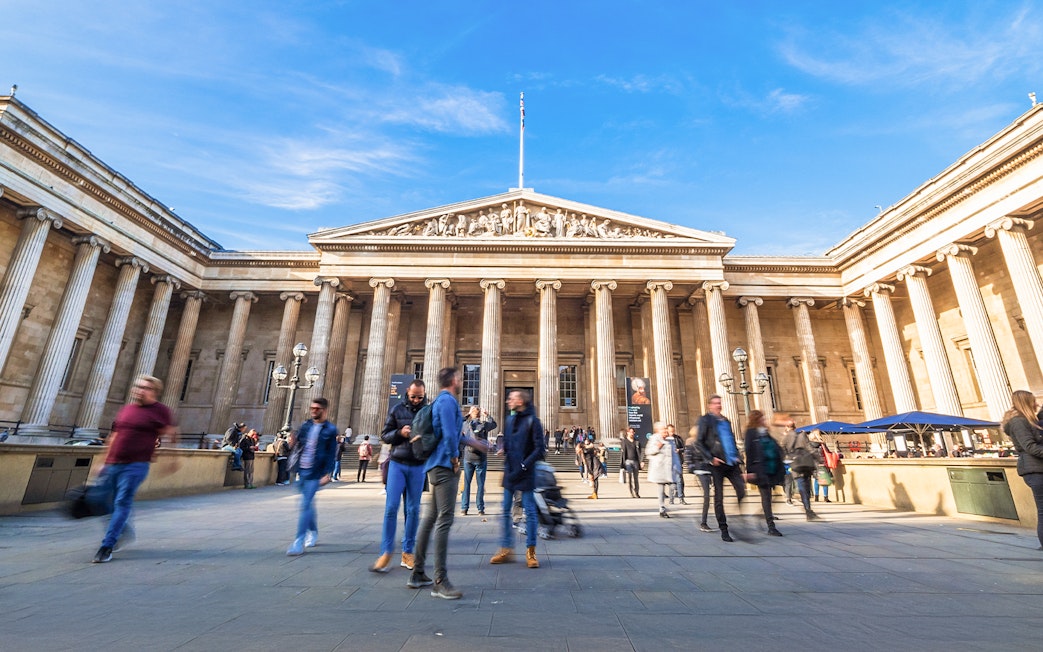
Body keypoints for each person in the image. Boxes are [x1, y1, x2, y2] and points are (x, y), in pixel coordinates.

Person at [92, 375, 178, 563]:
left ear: (154, 391)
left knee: (122, 502)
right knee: (100, 501)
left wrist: (171, 458)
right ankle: (122, 528)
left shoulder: (160, 411)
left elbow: (171, 433)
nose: (140, 390)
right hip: (113, 463)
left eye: (145, 387)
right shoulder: (126, 410)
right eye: (138, 386)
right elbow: (114, 436)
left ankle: (107, 545)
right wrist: (101, 461)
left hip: (136, 465)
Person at [408, 367, 465, 599]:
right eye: (460, 378)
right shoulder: (448, 401)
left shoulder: (440, 402)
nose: (462, 381)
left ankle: (418, 572)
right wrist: (454, 459)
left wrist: (475, 442)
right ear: (452, 380)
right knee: (445, 520)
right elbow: (451, 437)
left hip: (433, 464)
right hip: (444, 466)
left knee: (431, 517)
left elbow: (452, 433)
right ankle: (440, 580)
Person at [372, 380, 428, 573]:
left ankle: (408, 552)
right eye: (413, 396)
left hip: (418, 466)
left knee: (413, 510)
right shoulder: (397, 410)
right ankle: (386, 552)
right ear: (407, 392)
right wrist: (400, 432)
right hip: (398, 463)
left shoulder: (427, 412)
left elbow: (435, 436)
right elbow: (385, 435)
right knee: (391, 508)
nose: (416, 400)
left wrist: (425, 438)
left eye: (420, 397)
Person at [490, 389, 545, 568]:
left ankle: (531, 551)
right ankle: (506, 548)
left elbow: (539, 449)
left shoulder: (533, 421)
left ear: (520, 401)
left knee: (529, 511)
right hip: (510, 471)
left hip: (526, 471)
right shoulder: (509, 419)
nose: (508, 401)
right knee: (505, 511)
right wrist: (502, 449)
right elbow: (508, 441)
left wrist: (524, 465)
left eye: (511, 399)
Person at [286, 398, 339, 556]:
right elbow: (299, 445)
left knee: (305, 504)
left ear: (324, 410)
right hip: (302, 469)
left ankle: (298, 542)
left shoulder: (330, 430)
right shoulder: (306, 426)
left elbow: (331, 454)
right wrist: (292, 443)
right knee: (308, 505)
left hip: (316, 472)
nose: (313, 410)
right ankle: (313, 531)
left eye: (317, 408)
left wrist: (327, 473)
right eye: (312, 408)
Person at [696, 395, 746, 542]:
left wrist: (737, 455)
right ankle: (724, 529)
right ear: (710, 406)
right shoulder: (705, 420)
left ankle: (736, 516)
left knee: (741, 490)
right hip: (717, 463)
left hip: (732, 462)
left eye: (720, 403)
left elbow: (731, 439)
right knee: (719, 497)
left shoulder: (726, 421)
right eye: (715, 403)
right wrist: (710, 458)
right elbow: (699, 442)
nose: (718, 406)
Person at [1002, 390, 1043, 550]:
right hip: (1035, 470)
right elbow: (1030, 447)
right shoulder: (1019, 422)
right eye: (1033, 401)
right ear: (1026, 402)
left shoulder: (1028, 420)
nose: (1036, 404)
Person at [742, 410, 784, 536]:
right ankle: (771, 526)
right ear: (756, 419)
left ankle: (762, 515)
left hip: (773, 469)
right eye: (762, 418)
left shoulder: (765, 432)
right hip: (760, 470)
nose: (765, 420)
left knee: (776, 496)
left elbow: (775, 448)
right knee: (766, 497)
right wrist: (749, 471)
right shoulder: (750, 433)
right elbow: (749, 452)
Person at [780, 415, 819, 521]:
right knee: (806, 487)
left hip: (796, 466)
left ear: (787, 428)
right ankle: (808, 510)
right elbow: (810, 449)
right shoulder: (802, 435)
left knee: (801, 487)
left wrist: (789, 461)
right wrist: (819, 459)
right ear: (795, 426)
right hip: (807, 464)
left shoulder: (785, 438)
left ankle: (808, 511)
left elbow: (782, 453)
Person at [461, 406, 496, 516]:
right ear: (480, 414)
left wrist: (468, 415)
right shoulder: (484, 425)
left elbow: (457, 423)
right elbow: (494, 424)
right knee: (480, 485)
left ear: (471, 414)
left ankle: (464, 508)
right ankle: (480, 509)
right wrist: (487, 415)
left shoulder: (465, 425)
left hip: (468, 457)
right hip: (481, 457)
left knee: (467, 484)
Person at [646, 421, 676, 518]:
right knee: (661, 489)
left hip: (669, 468)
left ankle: (666, 505)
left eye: (665, 428)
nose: (665, 430)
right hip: (659, 469)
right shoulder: (654, 439)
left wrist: (678, 467)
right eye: (663, 429)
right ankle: (662, 508)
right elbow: (648, 451)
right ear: (658, 430)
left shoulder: (670, 440)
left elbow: (674, 455)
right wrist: (657, 447)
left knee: (673, 487)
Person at [685, 427, 713, 532]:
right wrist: (692, 469)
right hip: (700, 470)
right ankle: (703, 522)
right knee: (707, 496)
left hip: (709, 470)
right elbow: (688, 457)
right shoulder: (691, 443)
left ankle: (703, 518)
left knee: (708, 496)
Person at [668, 424, 687, 505]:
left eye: (673, 431)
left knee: (679, 480)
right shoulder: (665, 439)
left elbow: (684, 448)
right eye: (670, 431)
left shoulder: (678, 438)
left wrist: (679, 450)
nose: (672, 432)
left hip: (678, 462)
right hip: (669, 463)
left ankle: (681, 498)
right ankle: (671, 499)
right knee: (671, 482)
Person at [621, 427, 642, 498]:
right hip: (628, 461)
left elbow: (639, 452)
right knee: (629, 477)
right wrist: (623, 463)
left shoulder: (637, 442)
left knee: (636, 478)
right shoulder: (624, 441)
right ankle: (631, 492)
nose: (631, 433)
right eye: (630, 432)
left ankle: (636, 492)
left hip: (635, 461)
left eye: (633, 432)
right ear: (627, 433)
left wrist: (641, 461)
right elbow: (623, 452)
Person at [583, 434, 601, 499]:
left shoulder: (587, 451)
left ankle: (595, 494)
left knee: (595, 479)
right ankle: (594, 493)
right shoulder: (591, 448)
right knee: (595, 480)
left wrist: (590, 473)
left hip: (595, 466)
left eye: (586, 440)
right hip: (596, 465)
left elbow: (589, 462)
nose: (586, 441)